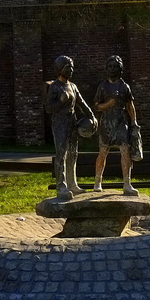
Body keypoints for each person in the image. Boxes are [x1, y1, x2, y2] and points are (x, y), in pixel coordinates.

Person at [44, 54, 94, 200]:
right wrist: (60, 101)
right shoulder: (55, 87)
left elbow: (82, 103)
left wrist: (91, 116)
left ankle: (72, 183)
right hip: (60, 123)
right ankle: (61, 185)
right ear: (60, 69)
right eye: (68, 67)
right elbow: (48, 108)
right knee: (62, 153)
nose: (71, 70)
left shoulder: (72, 86)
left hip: (72, 122)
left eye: (72, 67)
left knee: (73, 152)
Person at [93, 54, 139, 196]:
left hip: (121, 121)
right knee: (103, 152)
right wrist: (108, 104)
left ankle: (127, 183)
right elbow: (96, 106)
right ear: (107, 69)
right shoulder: (103, 87)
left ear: (120, 69)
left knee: (125, 151)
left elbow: (130, 105)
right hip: (106, 123)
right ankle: (97, 181)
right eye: (110, 66)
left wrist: (134, 122)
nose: (113, 69)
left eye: (115, 66)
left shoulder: (124, 86)